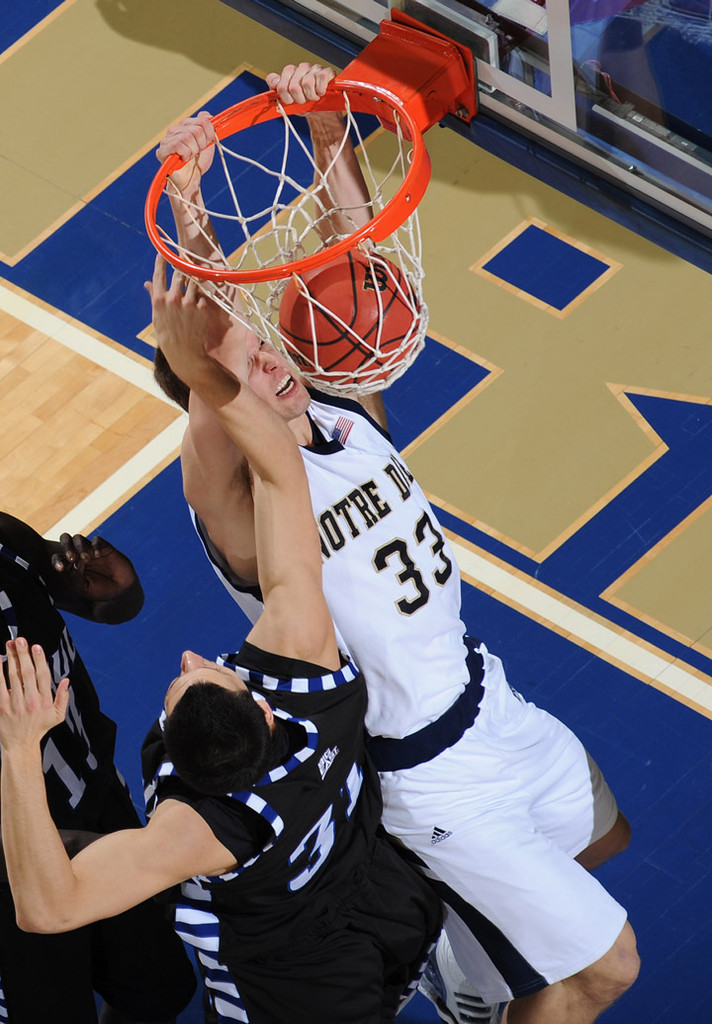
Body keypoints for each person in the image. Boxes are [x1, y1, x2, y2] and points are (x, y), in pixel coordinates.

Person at [149, 63, 640, 1024]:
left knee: (602, 841)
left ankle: (461, 971)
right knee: (601, 972)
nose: (269, 351)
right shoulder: (243, 502)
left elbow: (358, 265)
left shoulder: (345, 414)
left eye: (269, 341)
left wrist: (329, 132)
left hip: (489, 698)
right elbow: (214, 352)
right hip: (426, 770)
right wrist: (193, 219)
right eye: (246, 358)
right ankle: (476, 1006)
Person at [0, 296, 442, 1024]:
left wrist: (17, 749)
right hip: (384, 908)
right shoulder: (317, 691)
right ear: (265, 709)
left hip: (297, 987)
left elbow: (49, 904)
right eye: (206, 670)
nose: (186, 656)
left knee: (158, 988)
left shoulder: (195, 834)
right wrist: (204, 366)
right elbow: (285, 477)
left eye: (179, 681)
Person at [0, 512, 196, 1024]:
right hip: (16, 876)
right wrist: (76, 850)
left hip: (95, 804)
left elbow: (100, 598)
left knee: (159, 991)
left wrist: (115, 593)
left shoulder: (4, 538)